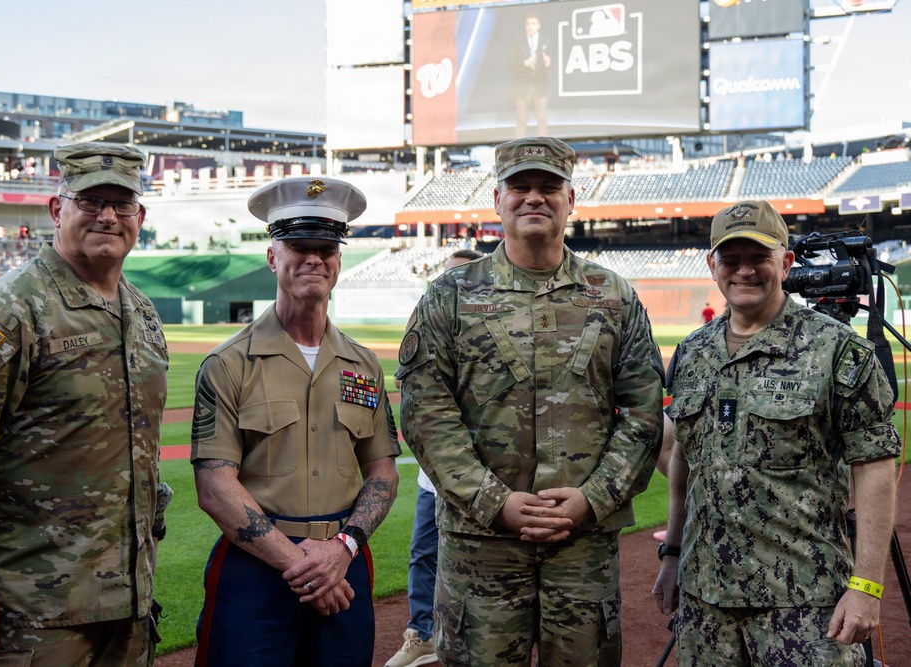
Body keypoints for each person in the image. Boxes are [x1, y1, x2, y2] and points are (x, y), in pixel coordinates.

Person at [396, 137, 664, 666]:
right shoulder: (448, 297)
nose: (533, 199)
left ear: (571, 199)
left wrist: (594, 498)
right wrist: (494, 502)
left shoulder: (613, 296)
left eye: (548, 188)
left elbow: (643, 414)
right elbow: (427, 415)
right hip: (481, 545)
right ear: (497, 199)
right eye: (520, 188)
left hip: (581, 543)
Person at [0, 142, 171, 665]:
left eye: (122, 205)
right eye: (90, 200)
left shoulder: (141, 312)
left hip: (128, 608)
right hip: (32, 614)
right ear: (58, 210)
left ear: (139, 216)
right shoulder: (8, 310)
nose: (107, 216)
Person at [652, 200, 900, 666]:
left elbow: (875, 466)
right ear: (713, 266)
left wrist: (867, 585)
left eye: (759, 257)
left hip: (804, 602)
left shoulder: (836, 349)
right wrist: (672, 553)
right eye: (731, 258)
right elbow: (685, 459)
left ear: (785, 262)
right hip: (705, 602)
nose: (744, 270)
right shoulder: (691, 352)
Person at [191, 176, 401, 667]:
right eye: (298, 246)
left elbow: (383, 472)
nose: (314, 258)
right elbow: (214, 486)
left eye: (326, 247)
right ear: (272, 257)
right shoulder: (228, 363)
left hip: (343, 562)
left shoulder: (363, 365)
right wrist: (303, 565)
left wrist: (341, 550)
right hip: (256, 569)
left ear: (339, 260)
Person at [386, 248, 485, 667]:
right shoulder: (427, 326)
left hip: (486, 482)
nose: (450, 283)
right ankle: (423, 634)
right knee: (424, 554)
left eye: (461, 275)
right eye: (445, 276)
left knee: (484, 563)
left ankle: (483, 642)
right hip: (434, 480)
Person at [510, 14, 551, 139]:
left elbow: (554, 64)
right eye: (528, 24)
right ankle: (519, 151)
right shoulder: (518, 42)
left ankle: (544, 148)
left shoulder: (546, 42)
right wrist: (524, 64)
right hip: (522, 87)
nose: (530, 27)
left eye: (533, 24)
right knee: (521, 121)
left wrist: (549, 63)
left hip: (540, 87)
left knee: (542, 120)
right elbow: (510, 64)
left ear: (538, 26)